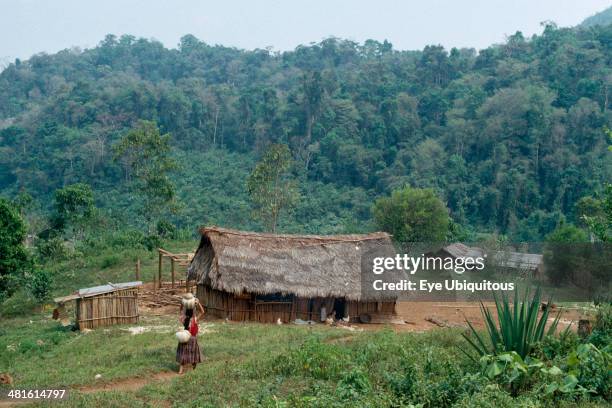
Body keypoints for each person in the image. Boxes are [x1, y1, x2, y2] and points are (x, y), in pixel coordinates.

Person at [176, 292, 205, 374]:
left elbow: (180, 310)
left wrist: (182, 303)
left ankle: (183, 368)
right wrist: (198, 303)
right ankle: (190, 365)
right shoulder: (193, 319)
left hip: (186, 338)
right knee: (192, 351)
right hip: (190, 338)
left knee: (184, 351)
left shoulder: (184, 318)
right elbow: (202, 312)